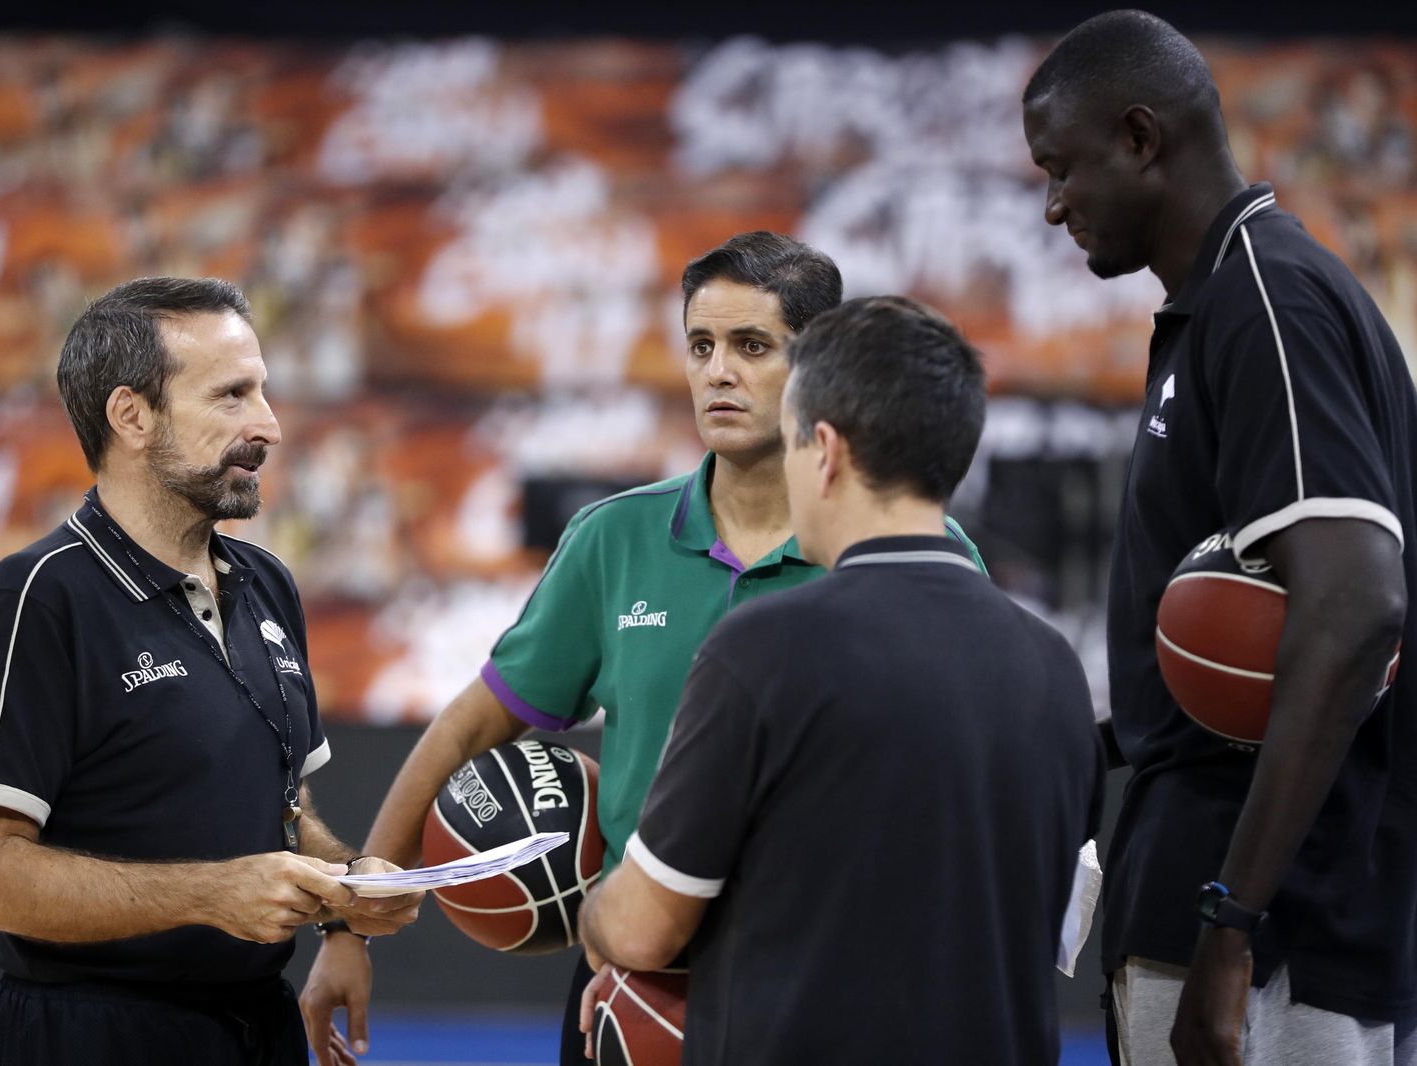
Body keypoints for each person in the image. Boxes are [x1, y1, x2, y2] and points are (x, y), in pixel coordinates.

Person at [297, 232, 986, 1064]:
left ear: (821, 366)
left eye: (752, 347)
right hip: (626, 987)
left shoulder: (909, 546)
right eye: (701, 346)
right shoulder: (614, 538)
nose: (717, 372)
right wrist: (354, 920)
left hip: (835, 991)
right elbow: (472, 729)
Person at [1023, 11, 1417, 1065]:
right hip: (1237, 898)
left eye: (1060, 168)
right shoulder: (1231, 302)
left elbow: (1354, 603)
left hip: (1280, 935)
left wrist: (1230, 927)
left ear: (1142, 138)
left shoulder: (1266, 299)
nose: (1052, 203)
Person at [576, 295, 1103, 1064]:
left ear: (822, 451)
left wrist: (587, 902)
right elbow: (1049, 928)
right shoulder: (1055, 667)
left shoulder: (762, 650)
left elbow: (642, 928)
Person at [0, 277, 420, 1066]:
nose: (267, 424)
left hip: (257, 1027)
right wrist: (211, 895)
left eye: (262, 390)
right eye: (231, 395)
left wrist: (347, 888)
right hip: (87, 1037)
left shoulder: (268, 583)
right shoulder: (33, 600)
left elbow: (283, 812)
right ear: (131, 416)